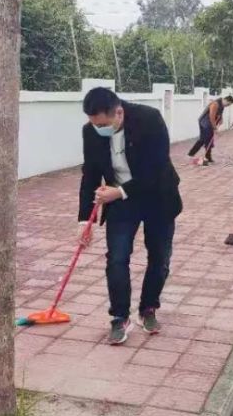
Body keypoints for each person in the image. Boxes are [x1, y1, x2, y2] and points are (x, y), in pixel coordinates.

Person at [78, 87, 182, 345]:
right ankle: (119, 317)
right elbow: (89, 175)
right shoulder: (91, 131)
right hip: (121, 203)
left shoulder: (150, 120)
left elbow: (156, 170)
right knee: (117, 258)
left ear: (119, 112)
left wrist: (120, 192)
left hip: (158, 197)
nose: (99, 129)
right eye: (94, 124)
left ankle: (148, 309)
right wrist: (84, 221)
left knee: (159, 258)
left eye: (104, 124)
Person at [188, 94, 233, 165]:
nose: (227, 106)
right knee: (208, 139)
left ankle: (192, 153)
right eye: (228, 104)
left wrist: (221, 119)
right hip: (205, 122)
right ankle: (207, 157)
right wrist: (215, 128)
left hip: (209, 123)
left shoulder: (222, 105)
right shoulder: (215, 104)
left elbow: (220, 113)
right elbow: (211, 117)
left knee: (204, 139)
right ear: (225, 100)